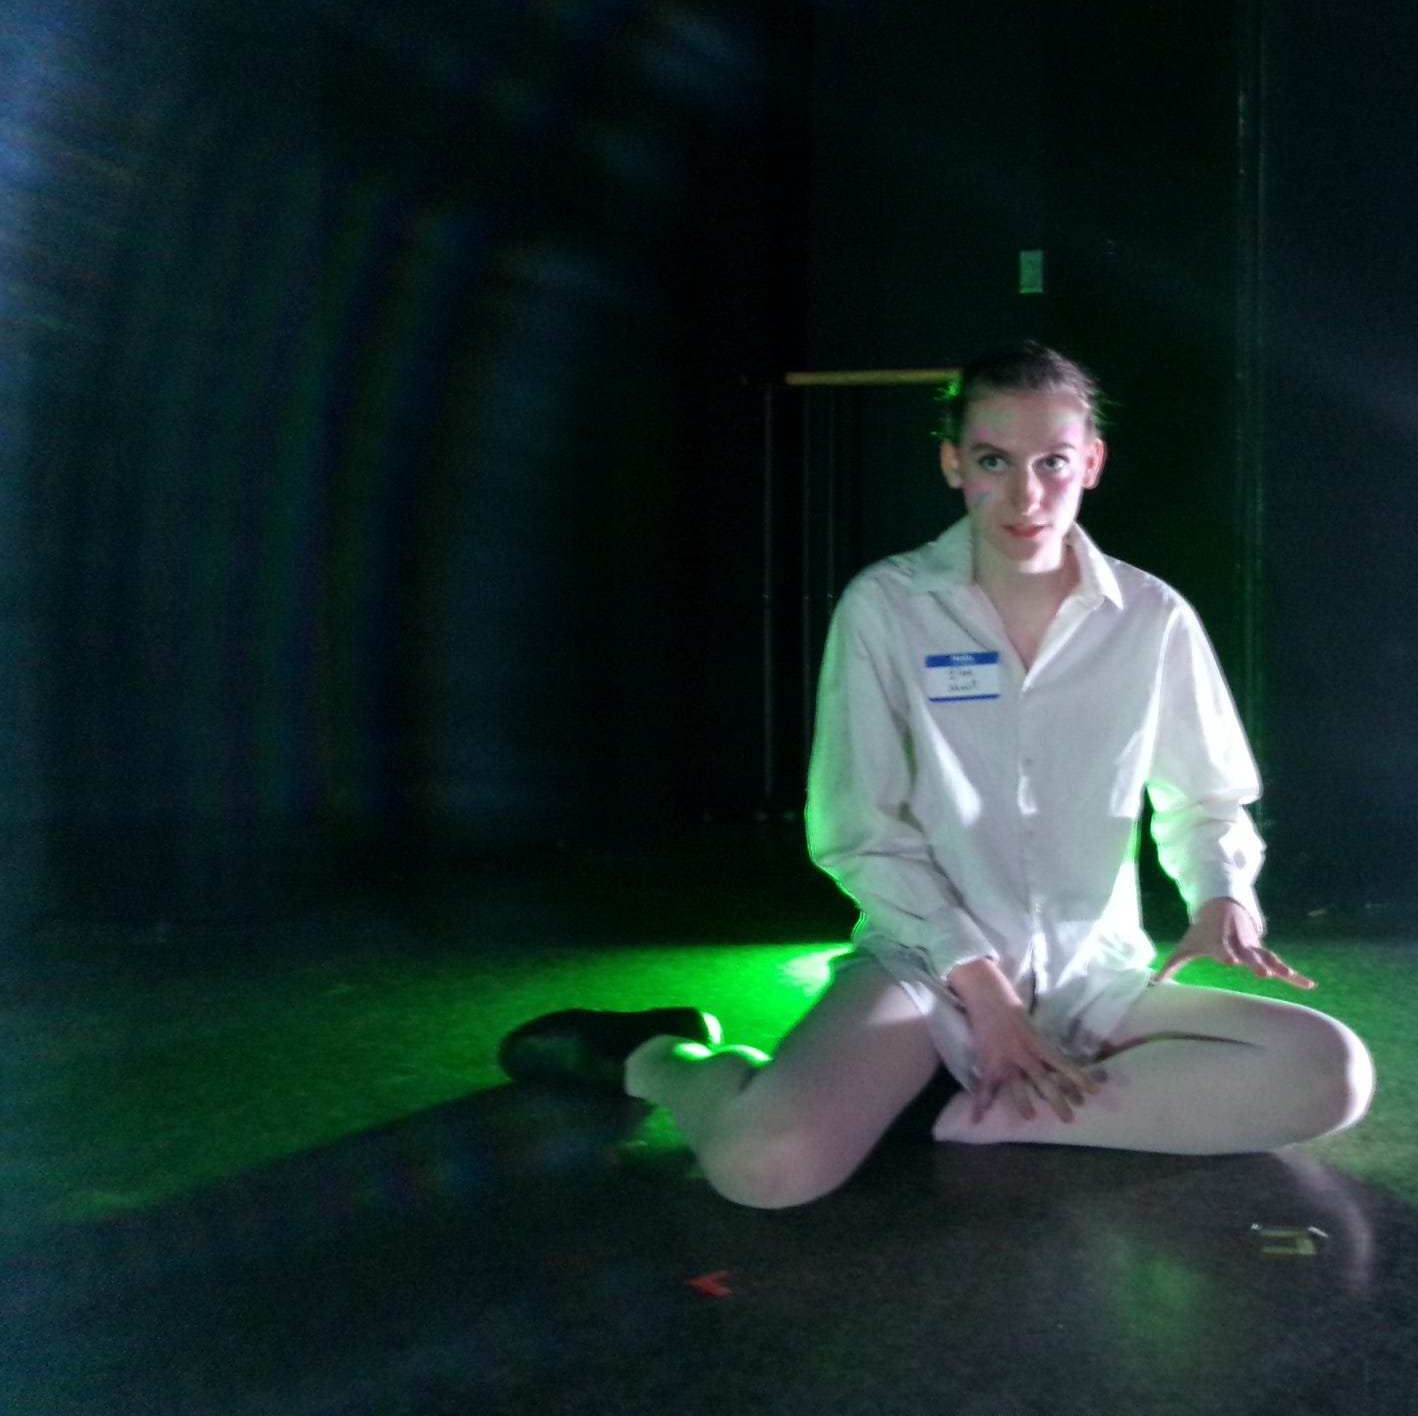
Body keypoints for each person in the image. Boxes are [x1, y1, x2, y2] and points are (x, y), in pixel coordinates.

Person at [498, 343, 1372, 1208]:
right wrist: (985, 994)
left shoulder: (1151, 616)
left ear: (1091, 464)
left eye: (1053, 463)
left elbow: (1208, 797)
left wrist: (1221, 897)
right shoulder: (887, 607)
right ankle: (658, 1056)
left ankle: (942, 1114)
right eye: (994, 461)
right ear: (953, 463)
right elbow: (860, 833)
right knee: (765, 1169)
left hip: (1091, 974)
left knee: (1332, 1072)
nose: (1027, 496)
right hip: (923, 968)